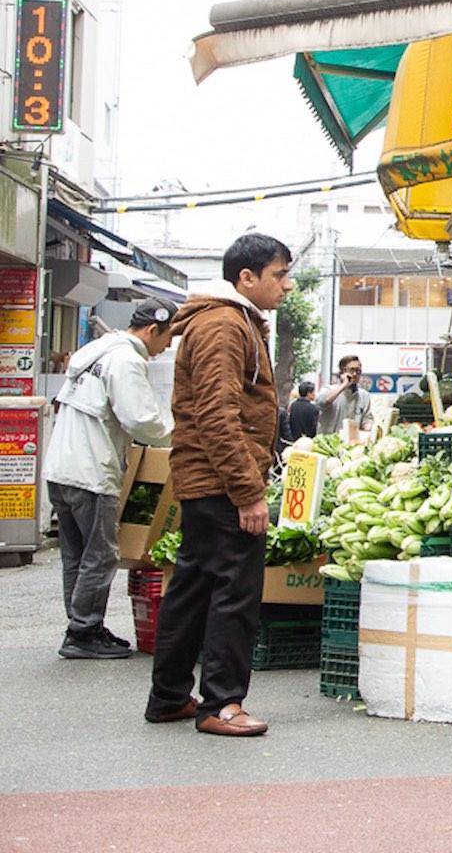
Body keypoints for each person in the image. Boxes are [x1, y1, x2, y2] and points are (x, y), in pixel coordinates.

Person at [146, 233, 293, 737]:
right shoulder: (224, 326)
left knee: (194, 588)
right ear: (246, 278)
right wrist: (248, 490)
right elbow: (216, 415)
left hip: (206, 480)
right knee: (235, 592)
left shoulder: (231, 322)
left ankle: (168, 697)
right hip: (221, 482)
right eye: (280, 275)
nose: (287, 286)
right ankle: (222, 704)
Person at [43, 302, 176, 659]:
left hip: (59, 468)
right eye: (167, 338)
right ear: (153, 330)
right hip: (90, 471)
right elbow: (141, 420)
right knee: (101, 554)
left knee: (76, 554)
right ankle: (83, 631)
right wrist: (177, 436)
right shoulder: (126, 360)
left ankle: (82, 626)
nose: (166, 346)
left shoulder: (94, 351)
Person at [317, 355, 373, 440]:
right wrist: (344, 385)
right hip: (328, 442)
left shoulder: (364, 396)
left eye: (358, 371)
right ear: (342, 371)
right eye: (352, 370)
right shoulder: (329, 389)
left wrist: (371, 428)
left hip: (351, 443)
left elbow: (367, 419)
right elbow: (323, 401)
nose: (355, 374)